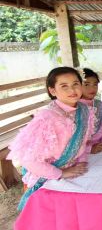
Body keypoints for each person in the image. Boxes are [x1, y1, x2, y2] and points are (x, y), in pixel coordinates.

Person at [8, 67, 96, 210]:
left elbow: (80, 142)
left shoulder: (83, 109)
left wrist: (91, 148)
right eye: (64, 86)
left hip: (74, 167)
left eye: (75, 84)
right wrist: (61, 173)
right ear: (52, 91)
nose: (72, 90)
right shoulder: (46, 117)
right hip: (48, 175)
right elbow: (28, 159)